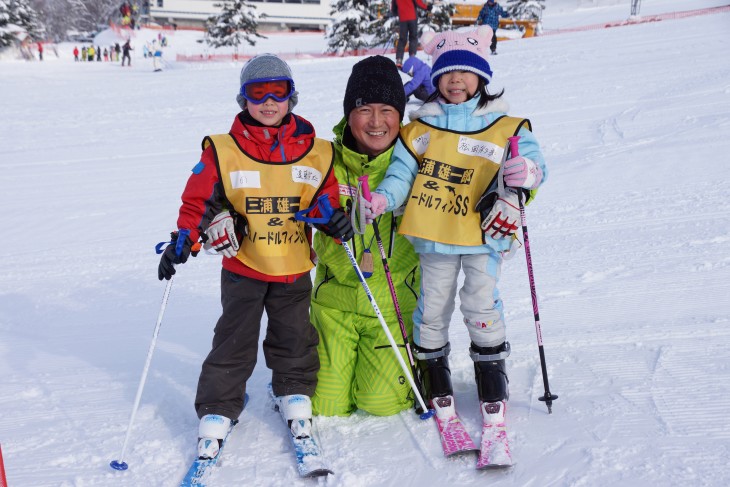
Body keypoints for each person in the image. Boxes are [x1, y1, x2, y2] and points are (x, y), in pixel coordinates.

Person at [157, 53, 352, 460]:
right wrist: (184, 239)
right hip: (244, 266)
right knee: (234, 338)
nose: (268, 101)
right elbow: (200, 201)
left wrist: (333, 218)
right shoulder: (223, 149)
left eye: (277, 92)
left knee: (295, 336)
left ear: (291, 97)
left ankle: (294, 393)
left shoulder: (316, 151)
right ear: (242, 99)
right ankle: (218, 407)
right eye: (256, 92)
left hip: (293, 266)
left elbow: (325, 197)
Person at [365, 27, 547, 425]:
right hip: (435, 235)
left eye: (465, 72)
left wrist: (526, 172)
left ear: (482, 77)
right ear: (436, 79)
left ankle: (491, 376)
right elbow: (401, 174)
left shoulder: (507, 126)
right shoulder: (420, 129)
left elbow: (535, 168)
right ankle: (435, 378)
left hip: (484, 236)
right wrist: (384, 198)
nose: (456, 81)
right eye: (447, 73)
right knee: (433, 307)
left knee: (481, 303)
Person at [310, 56, 421, 417]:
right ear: (349, 113)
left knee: (380, 403)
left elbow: (476, 166)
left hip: (393, 310)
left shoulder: (419, 160)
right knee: (324, 406)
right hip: (333, 307)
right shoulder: (324, 159)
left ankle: (421, 362)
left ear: (400, 115)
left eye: (387, 109)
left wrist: (519, 186)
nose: (377, 122)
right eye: (365, 109)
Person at [392, 0, 430, 67]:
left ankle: (399, 60)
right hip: (412, 17)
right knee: (413, 37)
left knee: (402, 39)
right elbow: (418, 2)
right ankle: (412, 57)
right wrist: (427, 7)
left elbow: (393, 9)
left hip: (403, 18)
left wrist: (400, 12)